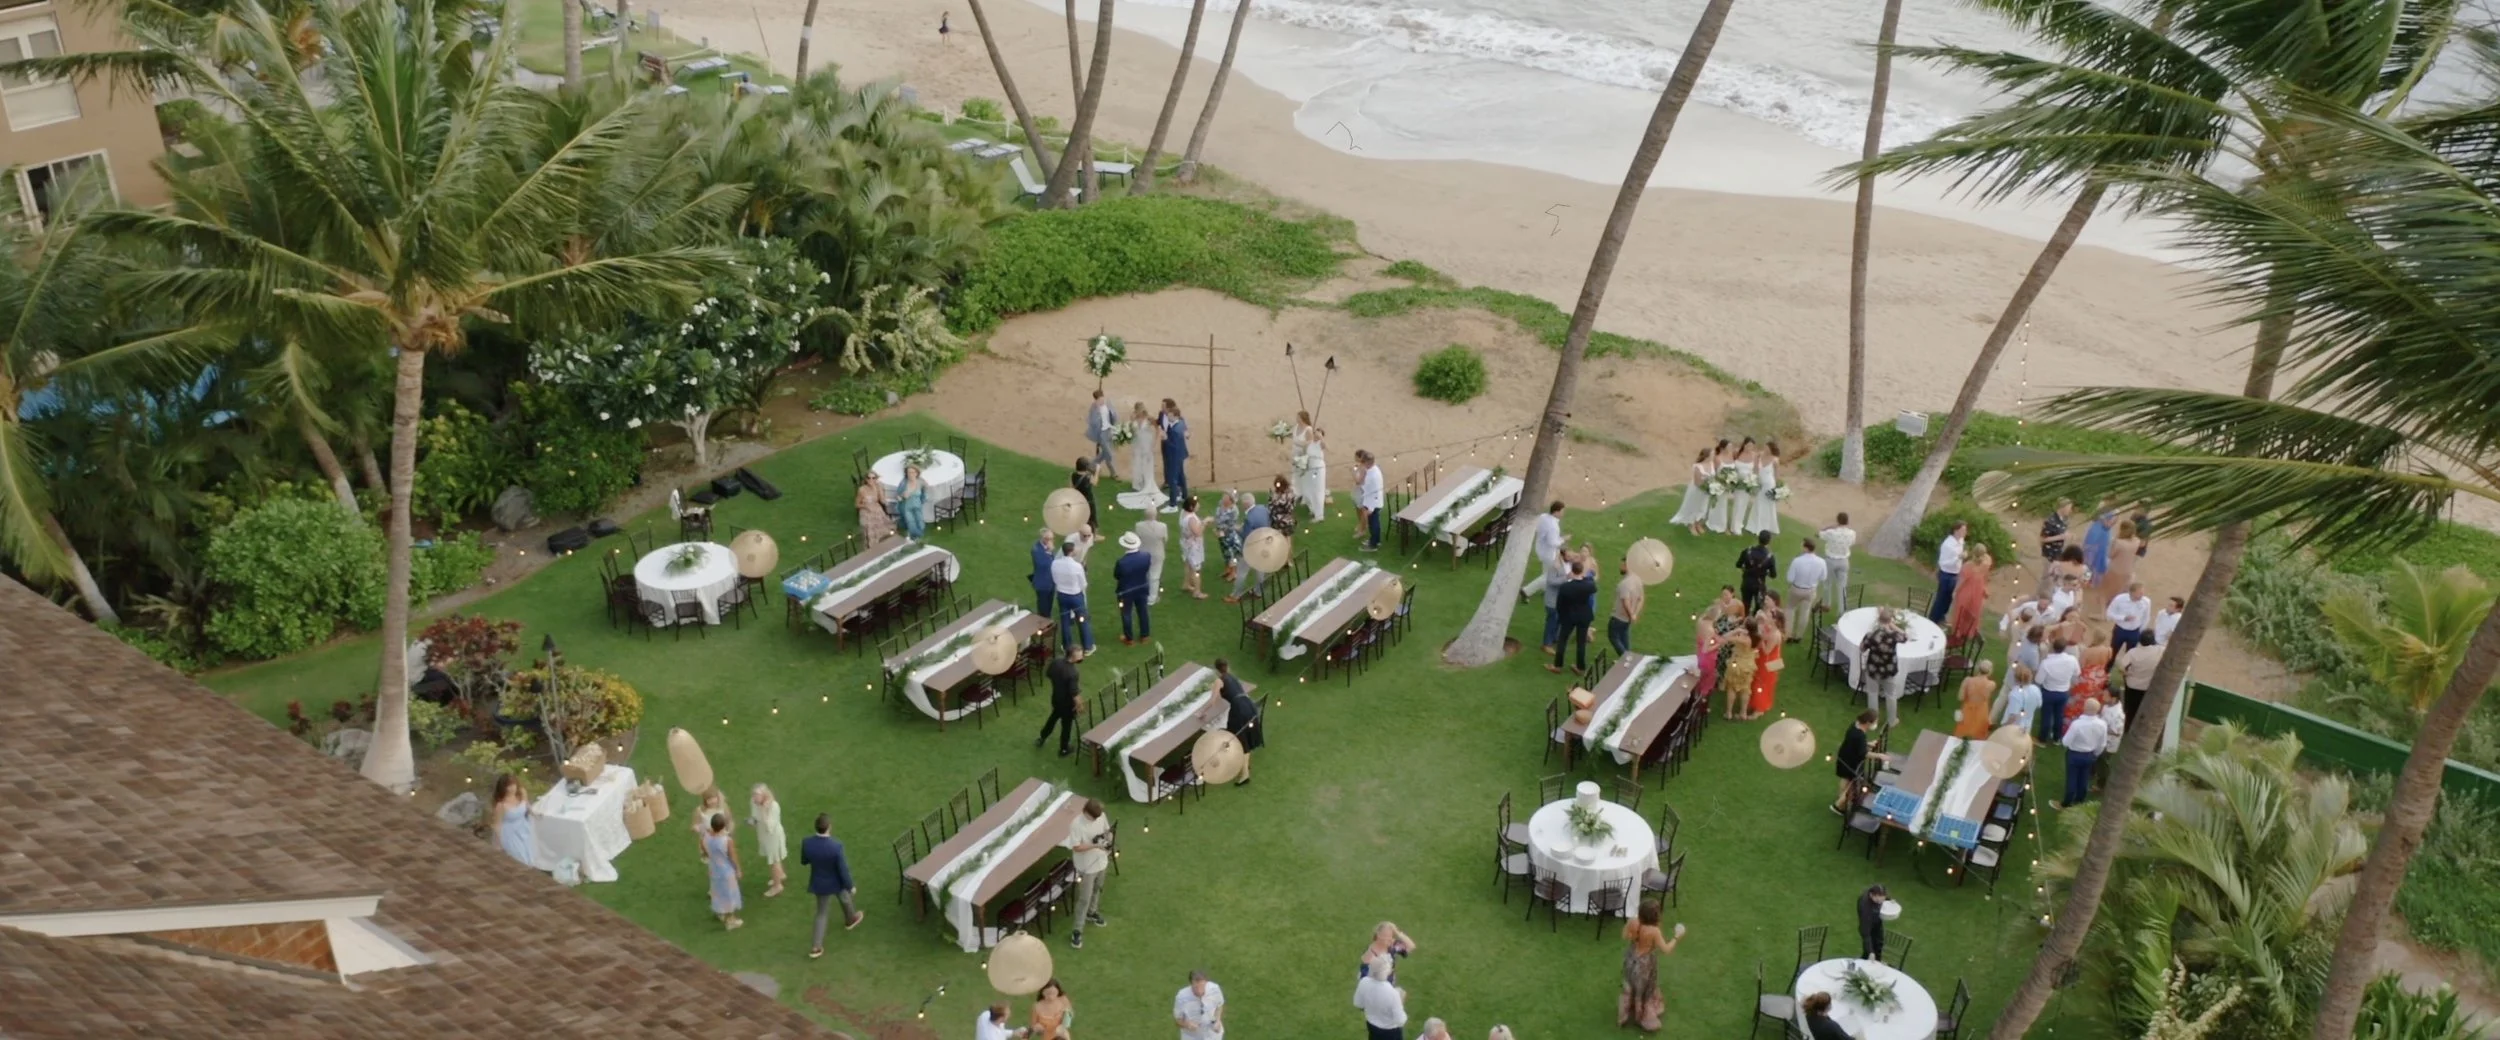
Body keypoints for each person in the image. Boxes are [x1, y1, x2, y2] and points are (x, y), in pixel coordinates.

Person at [800, 812, 862, 957]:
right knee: (845, 897)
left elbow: (804, 861)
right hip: (836, 881)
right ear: (829, 828)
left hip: (820, 883)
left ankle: (816, 947)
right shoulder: (836, 846)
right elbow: (843, 869)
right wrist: (850, 885)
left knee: (821, 913)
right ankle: (851, 919)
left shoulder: (807, 843)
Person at [1618, 901, 1683, 1032]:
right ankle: (1642, 1016)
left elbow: (1625, 936)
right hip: (1645, 965)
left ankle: (1625, 1013)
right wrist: (1677, 936)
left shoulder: (1633, 922)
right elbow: (1666, 949)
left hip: (1631, 960)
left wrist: (1634, 935)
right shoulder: (1654, 931)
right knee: (1644, 989)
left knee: (1631, 985)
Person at [1064, 799, 1112, 949]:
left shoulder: (1100, 816)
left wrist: (1108, 839)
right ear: (1086, 812)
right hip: (1086, 866)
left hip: (1101, 861)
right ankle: (1077, 930)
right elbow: (1076, 847)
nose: (1097, 819)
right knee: (1084, 898)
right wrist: (1096, 845)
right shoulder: (1076, 825)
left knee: (1098, 888)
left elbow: (1107, 830)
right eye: (1094, 817)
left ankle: (1092, 912)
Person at [1548, 554, 1598, 674]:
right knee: (1581, 643)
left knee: (1562, 641)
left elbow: (1559, 604)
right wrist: (1584, 577)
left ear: (1572, 570)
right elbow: (1594, 587)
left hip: (1569, 617)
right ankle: (1580, 667)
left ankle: (1557, 666)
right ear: (1582, 571)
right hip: (1584, 616)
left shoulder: (1566, 587)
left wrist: (1562, 616)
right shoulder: (1588, 586)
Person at [1858, 607, 1909, 726]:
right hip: (1889, 670)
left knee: (1872, 693)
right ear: (1890, 620)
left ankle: (1873, 722)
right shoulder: (1894, 636)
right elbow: (1905, 637)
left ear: (1878, 619)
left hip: (1873, 669)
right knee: (1891, 695)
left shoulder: (1871, 635)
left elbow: (1861, 648)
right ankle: (1892, 721)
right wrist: (1893, 626)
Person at [2059, 698, 2112, 809]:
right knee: (2084, 778)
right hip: (2089, 754)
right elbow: (2102, 744)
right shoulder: (2102, 724)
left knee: (2072, 779)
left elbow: (2065, 742)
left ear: (2084, 708)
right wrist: (2095, 754)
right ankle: (2079, 801)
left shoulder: (2077, 724)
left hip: (2074, 754)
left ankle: (2066, 802)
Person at [1218, 658, 1261, 785]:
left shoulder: (1219, 681)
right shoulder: (1233, 678)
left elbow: (1213, 699)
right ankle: (1244, 765)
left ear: (1217, 670)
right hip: (1248, 705)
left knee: (1239, 739)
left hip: (1239, 710)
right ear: (1227, 667)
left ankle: (1245, 774)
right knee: (1239, 735)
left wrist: (1203, 712)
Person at [1832, 710, 1885, 813]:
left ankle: (1841, 798)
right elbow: (1863, 753)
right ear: (1868, 722)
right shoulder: (1860, 735)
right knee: (1852, 784)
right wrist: (1879, 756)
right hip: (1851, 762)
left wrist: (1868, 744)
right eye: (1874, 722)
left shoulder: (1854, 725)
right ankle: (1838, 806)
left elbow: (1854, 743)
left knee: (1846, 779)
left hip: (1844, 757)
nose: (1875, 725)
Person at [1052, 538, 1095, 661]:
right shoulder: (1076, 566)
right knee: (1082, 620)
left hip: (1062, 594)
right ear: (1071, 552)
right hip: (1075, 595)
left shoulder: (1055, 563)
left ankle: (1067, 646)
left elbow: (1054, 578)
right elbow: (1083, 583)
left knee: (1065, 621)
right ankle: (1087, 646)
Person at [1225, 497, 1273, 602]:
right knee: (1261, 570)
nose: (1242, 506)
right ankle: (1258, 592)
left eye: (1243, 504)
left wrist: (1237, 529)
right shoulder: (1262, 508)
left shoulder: (1249, 518)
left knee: (1242, 572)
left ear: (1246, 504)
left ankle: (1236, 595)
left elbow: (1245, 535)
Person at [1037, 647, 1081, 756]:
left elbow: (1049, 674)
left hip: (1056, 699)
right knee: (1066, 726)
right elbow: (1074, 693)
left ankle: (1042, 737)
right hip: (1067, 704)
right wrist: (1079, 705)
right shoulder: (1073, 673)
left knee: (1053, 718)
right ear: (1073, 657)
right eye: (1080, 655)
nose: (1082, 657)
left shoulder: (1056, 661)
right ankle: (1064, 749)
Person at [704, 812, 744, 930]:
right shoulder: (727, 840)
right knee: (729, 894)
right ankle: (730, 920)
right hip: (725, 870)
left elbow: (704, 850)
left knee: (718, 892)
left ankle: (720, 912)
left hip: (714, 868)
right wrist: (738, 869)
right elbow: (733, 856)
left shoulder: (707, 837)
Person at [1947, 543, 1992, 645]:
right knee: (1972, 612)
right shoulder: (1986, 564)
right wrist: (1984, 589)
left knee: (1961, 612)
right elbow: (1984, 578)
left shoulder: (1968, 566)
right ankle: (1969, 632)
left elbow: (1961, 581)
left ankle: (1958, 632)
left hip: (1966, 592)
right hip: (1977, 592)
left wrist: (1955, 591)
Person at [1354, 955, 1408, 1040]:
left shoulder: (1364, 982)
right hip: (1391, 1032)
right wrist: (1400, 1003)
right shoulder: (1393, 993)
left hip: (1372, 1026)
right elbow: (1401, 1020)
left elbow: (1358, 1004)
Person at [2036, 637, 2079, 742]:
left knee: (2046, 716)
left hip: (2048, 692)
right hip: (2063, 692)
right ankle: (2057, 738)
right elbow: (2077, 673)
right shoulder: (2072, 660)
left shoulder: (2046, 663)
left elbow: (2038, 680)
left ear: (2053, 647)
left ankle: (2042, 739)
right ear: (2064, 648)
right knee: (2059, 716)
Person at [1113, 532, 1153, 645]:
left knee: (1126, 614)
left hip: (1125, 592)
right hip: (1142, 588)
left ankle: (1129, 638)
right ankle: (1145, 635)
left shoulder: (1122, 562)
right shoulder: (1146, 556)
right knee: (1143, 611)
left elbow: (1117, 575)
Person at [749, 783, 788, 898]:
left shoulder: (774, 807)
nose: (755, 798)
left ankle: (777, 886)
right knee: (775, 859)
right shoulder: (753, 802)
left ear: (764, 795)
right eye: (754, 795)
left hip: (773, 837)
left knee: (773, 860)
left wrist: (764, 810)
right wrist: (753, 821)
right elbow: (755, 816)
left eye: (757, 795)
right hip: (764, 836)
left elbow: (770, 827)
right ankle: (780, 875)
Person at [1784, 537, 1827, 638]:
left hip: (1796, 589)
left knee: (1790, 609)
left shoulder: (1797, 561)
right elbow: (1823, 577)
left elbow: (1790, 578)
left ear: (1806, 548)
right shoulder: (1821, 562)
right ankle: (1798, 636)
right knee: (1805, 612)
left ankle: (1788, 634)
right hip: (1810, 590)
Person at [2119, 634, 2166, 724]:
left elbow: (2121, 667)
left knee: (2129, 707)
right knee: (2142, 705)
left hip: (2132, 684)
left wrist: (2127, 674)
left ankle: (2127, 724)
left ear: (2140, 641)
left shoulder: (2133, 652)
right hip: (2147, 685)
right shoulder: (2159, 650)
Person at [1524, 500, 1566, 601]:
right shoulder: (1553, 526)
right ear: (1556, 512)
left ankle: (1545, 589)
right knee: (1549, 575)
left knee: (1546, 570)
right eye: (1562, 511)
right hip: (1549, 553)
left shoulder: (1543, 517)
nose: (1563, 513)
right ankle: (1526, 591)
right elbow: (1552, 542)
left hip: (1541, 549)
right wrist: (1563, 539)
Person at [490, 773, 535, 867]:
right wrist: (499, 843)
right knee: (520, 861)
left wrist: (535, 814)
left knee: (529, 858)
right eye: (508, 786)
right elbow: (497, 825)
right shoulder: (501, 805)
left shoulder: (521, 793)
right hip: (510, 834)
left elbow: (526, 805)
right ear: (503, 788)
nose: (512, 788)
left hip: (524, 830)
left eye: (513, 784)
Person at [1744, 614, 1783, 720]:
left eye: (1771, 620)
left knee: (1761, 685)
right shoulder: (1771, 630)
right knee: (1756, 682)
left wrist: (1761, 640)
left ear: (1776, 622)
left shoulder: (1775, 635)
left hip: (1768, 663)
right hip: (1763, 661)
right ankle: (1754, 703)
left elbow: (1767, 651)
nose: (1768, 621)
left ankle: (1759, 709)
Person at [1668, 446, 1714, 535]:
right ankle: (1691, 525)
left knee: (1703, 507)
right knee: (1695, 507)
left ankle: (1698, 523)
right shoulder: (1697, 466)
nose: (1713, 456)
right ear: (1706, 456)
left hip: (1706, 491)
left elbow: (1713, 477)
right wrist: (1707, 486)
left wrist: (1712, 487)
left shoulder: (1711, 464)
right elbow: (1697, 482)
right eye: (1712, 455)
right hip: (1697, 490)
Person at [2099, 519, 2144, 608]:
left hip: (2116, 569)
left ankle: (2105, 607)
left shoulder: (2119, 542)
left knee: (2108, 588)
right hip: (2128, 569)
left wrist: (2114, 540)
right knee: (2120, 589)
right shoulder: (2137, 541)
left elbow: (2110, 555)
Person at [1929, 520, 1967, 624]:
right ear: (1956, 530)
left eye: (1965, 530)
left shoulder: (1961, 541)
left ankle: (1942, 616)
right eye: (1962, 530)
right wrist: (1958, 558)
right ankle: (1933, 619)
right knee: (1941, 598)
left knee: (1949, 598)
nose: (1965, 532)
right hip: (1946, 574)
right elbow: (1943, 563)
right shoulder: (1948, 545)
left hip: (1955, 574)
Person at [1719, 624, 1757, 721]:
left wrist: (1736, 631)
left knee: (1731, 687)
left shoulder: (1744, 639)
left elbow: (1725, 637)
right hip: (1748, 664)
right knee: (1745, 688)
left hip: (1738, 664)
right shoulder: (1756, 637)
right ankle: (1743, 713)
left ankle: (1729, 713)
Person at [1821, 512, 1857, 613]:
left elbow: (1819, 533)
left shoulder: (1831, 532)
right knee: (1842, 587)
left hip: (1830, 560)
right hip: (1844, 561)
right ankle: (1842, 610)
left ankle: (1826, 604)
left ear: (1837, 520)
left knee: (1827, 583)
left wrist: (1830, 526)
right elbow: (1852, 543)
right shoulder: (1852, 533)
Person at [2038, 497, 2074, 597]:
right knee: (2047, 579)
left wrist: (2067, 535)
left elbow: (2063, 531)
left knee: (2055, 579)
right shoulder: (2050, 521)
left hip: (2058, 554)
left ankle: (2048, 598)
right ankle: (2039, 598)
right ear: (2062, 507)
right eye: (2069, 507)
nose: (2070, 510)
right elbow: (2042, 539)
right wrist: (2060, 537)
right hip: (2049, 555)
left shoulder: (2064, 519)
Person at [1174, 969, 1225, 1040]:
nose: (1199, 990)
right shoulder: (1182, 997)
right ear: (1191, 984)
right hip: (1192, 1037)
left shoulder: (1214, 989)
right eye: (1196, 987)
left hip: (1213, 1036)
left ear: (1206, 983)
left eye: (1202, 986)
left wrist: (1218, 1020)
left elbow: (1219, 1005)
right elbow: (1178, 1021)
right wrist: (1187, 1025)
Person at [1159, 399, 1192, 508]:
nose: (1168, 417)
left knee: (1173, 479)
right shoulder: (1180, 424)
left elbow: (1173, 444)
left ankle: (1172, 504)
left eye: (1170, 416)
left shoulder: (1175, 429)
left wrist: (1165, 438)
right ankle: (1184, 495)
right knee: (1181, 475)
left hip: (1174, 455)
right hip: (1180, 454)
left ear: (1176, 416)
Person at [1609, 557, 1645, 655]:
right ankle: (1628, 656)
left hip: (1618, 617)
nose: (1620, 567)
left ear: (1627, 566)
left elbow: (1626, 602)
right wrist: (1634, 614)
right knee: (1624, 636)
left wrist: (1631, 615)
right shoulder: (1638, 579)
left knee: (1613, 637)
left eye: (1622, 565)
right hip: (1628, 618)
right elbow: (1641, 598)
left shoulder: (1624, 584)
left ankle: (1625, 658)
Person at [1296, 415, 1329, 522]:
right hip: (1309, 467)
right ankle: (1313, 509)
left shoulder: (1320, 443)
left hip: (1318, 468)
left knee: (1317, 490)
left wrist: (1321, 437)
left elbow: (1326, 447)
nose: (1316, 435)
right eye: (1315, 433)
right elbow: (1300, 444)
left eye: (1318, 434)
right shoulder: (1310, 443)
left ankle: (1319, 515)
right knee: (1307, 489)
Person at [1136, 505, 1170, 606]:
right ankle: (1152, 598)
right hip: (1157, 553)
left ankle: (1144, 594)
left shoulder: (1139, 525)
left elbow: (1137, 539)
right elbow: (1165, 539)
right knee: (1155, 576)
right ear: (1156, 514)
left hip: (1143, 552)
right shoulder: (1162, 526)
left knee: (1145, 574)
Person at [1995, 663, 2043, 735]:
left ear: (2016, 679)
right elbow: (2039, 705)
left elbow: (2013, 716)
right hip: (2027, 726)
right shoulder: (2036, 689)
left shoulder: (2015, 694)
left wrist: (2003, 728)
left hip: (2013, 729)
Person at [1735, 531, 1776, 613]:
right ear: (1769, 541)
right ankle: (1754, 622)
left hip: (1747, 582)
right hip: (1759, 584)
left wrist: (1745, 568)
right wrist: (1765, 572)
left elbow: (1738, 564)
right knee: (1759, 607)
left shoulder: (1748, 551)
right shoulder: (1770, 557)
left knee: (1745, 605)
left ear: (1758, 538)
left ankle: (1744, 621)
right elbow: (1773, 575)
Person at [1955, 660, 1998, 739]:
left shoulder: (1967, 680)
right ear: (1990, 671)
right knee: (1978, 736)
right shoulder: (1991, 684)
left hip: (1967, 709)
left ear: (1978, 668)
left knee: (1962, 733)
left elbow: (1960, 697)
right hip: (1982, 711)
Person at [1748, 439, 1782, 536]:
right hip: (1760, 484)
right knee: (1758, 504)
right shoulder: (1759, 456)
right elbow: (1755, 469)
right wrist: (1754, 480)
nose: (1765, 449)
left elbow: (1776, 475)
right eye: (1764, 447)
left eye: (1767, 448)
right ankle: (1754, 525)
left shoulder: (1775, 460)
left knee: (1767, 506)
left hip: (1769, 484)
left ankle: (1766, 527)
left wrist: (1776, 489)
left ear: (1771, 449)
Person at [2108, 581, 2153, 654]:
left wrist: (2140, 631)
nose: (2142, 596)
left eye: (2143, 593)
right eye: (2140, 593)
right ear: (2131, 592)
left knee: (2130, 654)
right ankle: (2109, 665)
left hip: (2134, 632)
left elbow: (2146, 617)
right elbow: (2109, 613)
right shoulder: (2119, 599)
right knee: (2113, 651)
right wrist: (2123, 618)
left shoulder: (2146, 602)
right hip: (2120, 630)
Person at [1354, 449, 1385, 552]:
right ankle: (1375, 540)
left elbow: (1374, 491)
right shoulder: (1372, 469)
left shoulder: (1373, 475)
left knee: (1373, 523)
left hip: (1373, 503)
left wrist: (1371, 508)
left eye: (1363, 462)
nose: (1362, 464)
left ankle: (1373, 545)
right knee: (1374, 522)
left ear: (1368, 462)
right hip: (1371, 501)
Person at [1703, 439, 1736, 535]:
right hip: (1719, 484)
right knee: (1718, 504)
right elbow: (1714, 472)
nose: (1730, 449)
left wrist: (1731, 480)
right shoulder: (1717, 458)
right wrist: (1721, 480)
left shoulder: (1731, 457)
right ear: (1723, 448)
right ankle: (1715, 523)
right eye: (1729, 447)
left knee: (1724, 504)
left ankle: (1722, 524)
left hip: (1727, 485)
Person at [2082, 499, 2118, 587]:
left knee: (2098, 557)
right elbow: (2093, 518)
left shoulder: (2115, 512)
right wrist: (2098, 511)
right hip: (2093, 533)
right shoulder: (2101, 505)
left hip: (2103, 536)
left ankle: (2094, 580)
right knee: (2088, 556)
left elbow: (2108, 526)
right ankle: (2085, 579)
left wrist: (2103, 519)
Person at [1129, 401, 1160, 500]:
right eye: (1137, 410)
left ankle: (1147, 483)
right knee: (1137, 463)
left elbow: (1157, 428)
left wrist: (1155, 442)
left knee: (1146, 464)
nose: (1138, 412)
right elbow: (1130, 428)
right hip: (1137, 443)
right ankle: (1137, 484)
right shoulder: (1133, 417)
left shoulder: (1149, 418)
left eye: (1140, 410)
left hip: (1147, 444)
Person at [855, 472, 897, 545]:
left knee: (880, 522)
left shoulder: (878, 487)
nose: (871, 480)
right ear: (866, 479)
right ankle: (873, 542)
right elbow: (857, 504)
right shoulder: (862, 490)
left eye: (873, 478)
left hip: (876, 507)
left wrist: (886, 502)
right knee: (869, 524)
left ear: (876, 479)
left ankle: (883, 539)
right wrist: (865, 506)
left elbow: (882, 499)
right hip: (865, 509)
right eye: (869, 478)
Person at [1178, 496, 1208, 600]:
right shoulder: (1191, 519)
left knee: (1187, 564)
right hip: (1193, 547)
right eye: (1196, 504)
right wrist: (1205, 522)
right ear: (1191, 507)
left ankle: (1186, 584)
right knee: (1196, 569)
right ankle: (1197, 592)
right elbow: (1198, 533)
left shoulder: (1183, 513)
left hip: (1185, 543)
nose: (1199, 506)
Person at [1214, 490, 1245, 586]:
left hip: (1229, 536)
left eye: (1225, 496)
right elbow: (1217, 518)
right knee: (1225, 553)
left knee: (1232, 555)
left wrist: (1220, 530)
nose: (1223, 497)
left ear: (1230, 500)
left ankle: (1234, 573)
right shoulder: (1220, 505)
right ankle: (1227, 570)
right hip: (1221, 535)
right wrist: (1217, 529)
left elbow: (1230, 525)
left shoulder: (1234, 510)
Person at [1726, 439, 1757, 534]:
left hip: (1747, 484)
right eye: (1748, 445)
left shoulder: (1754, 455)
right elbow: (1731, 465)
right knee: (1738, 504)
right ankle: (1734, 526)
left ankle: (1738, 524)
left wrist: (1753, 481)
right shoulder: (1737, 452)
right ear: (1744, 444)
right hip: (1738, 483)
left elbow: (1755, 470)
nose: (1749, 447)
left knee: (1744, 504)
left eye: (1751, 446)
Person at [1085, 389, 1118, 479]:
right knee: (1109, 454)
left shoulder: (1108, 403)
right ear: (1096, 400)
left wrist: (1114, 427)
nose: (1102, 400)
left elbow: (1115, 415)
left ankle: (1091, 465)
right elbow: (1091, 421)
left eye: (1102, 398)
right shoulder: (1094, 408)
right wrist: (1098, 412)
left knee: (1104, 453)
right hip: (1102, 434)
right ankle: (1113, 473)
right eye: (1099, 399)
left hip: (1110, 431)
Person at [1028, 527, 1060, 617]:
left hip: (1050, 583)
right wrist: (1050, 551)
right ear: (1042, 538)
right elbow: (1043, 564)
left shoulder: (1048, 547)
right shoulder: (1036, 549)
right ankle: (1041, 627)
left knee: (1049, 607)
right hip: (1042, 584)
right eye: (1048, 539)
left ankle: (1047, 624)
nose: (1050, 541)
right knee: (1043, 609)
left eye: (1052, 539)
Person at [899, 463, 930, 540]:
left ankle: (920, 536)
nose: (911, 474)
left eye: (913, 472)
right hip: (907, 506)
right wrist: (902, 496)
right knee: (911, 522)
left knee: (920, 521)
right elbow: (898, 496)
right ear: (906, 473)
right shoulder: (903, 483)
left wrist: (924, 496)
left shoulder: (920, 481)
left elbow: (926, 487)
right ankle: (915, 537)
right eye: (909, 472)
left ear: (917, 473)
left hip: (917, 505)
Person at [1857, 883, 1888, 960]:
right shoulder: (1865, 907)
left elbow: (1883, 897)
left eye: (1882, 899)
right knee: (1869, 952)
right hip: (1867, 924)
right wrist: (1870, 951)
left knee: (1879, 943)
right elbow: (1866, 933)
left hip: (1877, 922)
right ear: (1871, 895)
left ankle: (1876, 961)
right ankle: (1866, 960)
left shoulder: (1876, 894)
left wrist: (1890, 900)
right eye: (1878, 900)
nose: (1880, 902)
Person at [1071, 458, 1098, 528]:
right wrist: (1097, 470)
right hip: (1088, 500)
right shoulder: (1088, 477)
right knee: (1092, 518)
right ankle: (1094, 534)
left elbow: (1071, 487)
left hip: (1078, 499)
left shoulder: (1073, 475)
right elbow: (1095, 482)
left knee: (1081, 515)